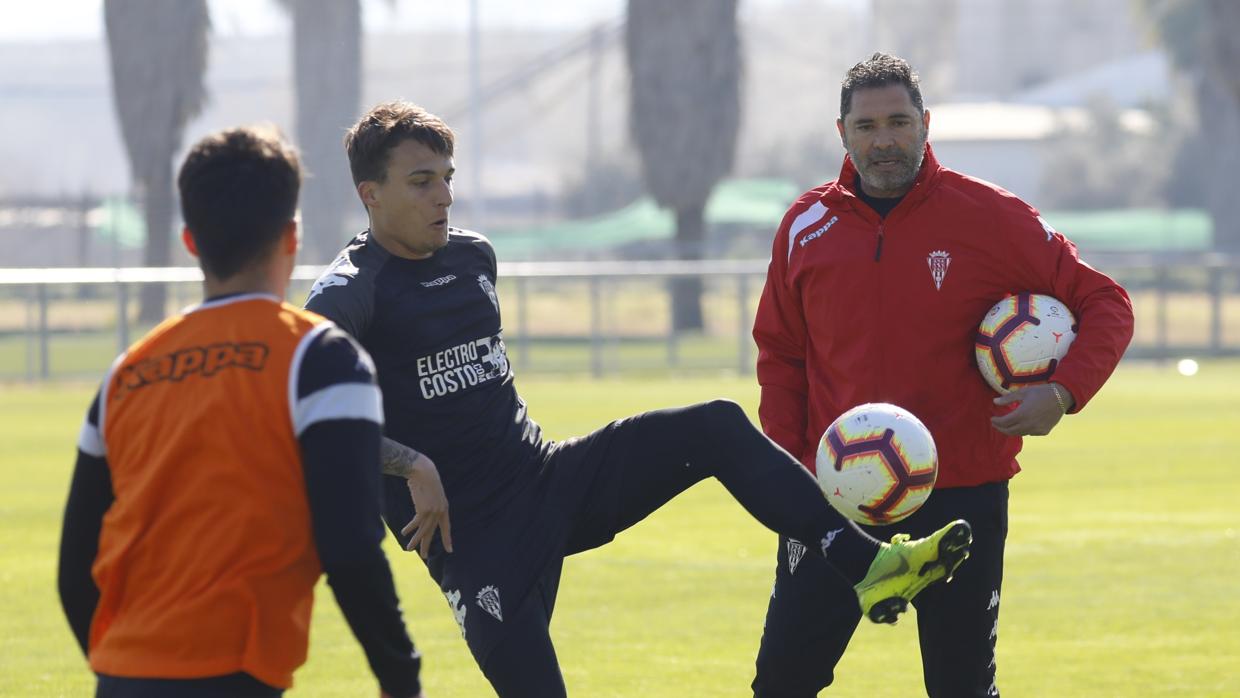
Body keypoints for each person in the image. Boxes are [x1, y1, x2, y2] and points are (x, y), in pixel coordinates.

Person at [304, 100, 975, 698]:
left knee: (714, 424)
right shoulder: (348, 292)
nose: (443, 196)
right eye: (422, 183)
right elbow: (305, 408)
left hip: (547, 481)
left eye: (448, 178)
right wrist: (410, 466)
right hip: (471, 537)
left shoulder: (473, 257)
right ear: (371, 194)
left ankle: (871, 564)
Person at [750, 53, 1135, 697]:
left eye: (899, 121)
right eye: (867, 126)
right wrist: (794, 480)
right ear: (841, 132)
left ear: (926, 124)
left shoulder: (992, 216)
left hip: (960, 495)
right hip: (836, 499)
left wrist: (1063, 390)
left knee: (961, 688)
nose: (885, 140)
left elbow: (1106, 303)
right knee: (782, 684)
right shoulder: (805, 226)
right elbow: (780, 357)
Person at [57, 126, 425, 698]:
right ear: (292, 236)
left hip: (122, 674)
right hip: (237, 675)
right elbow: (350, 547)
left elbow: (74, 570)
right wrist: (402, 679)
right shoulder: (320, 357)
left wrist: (122, 670)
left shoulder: (126, 375)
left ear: (189, 241)